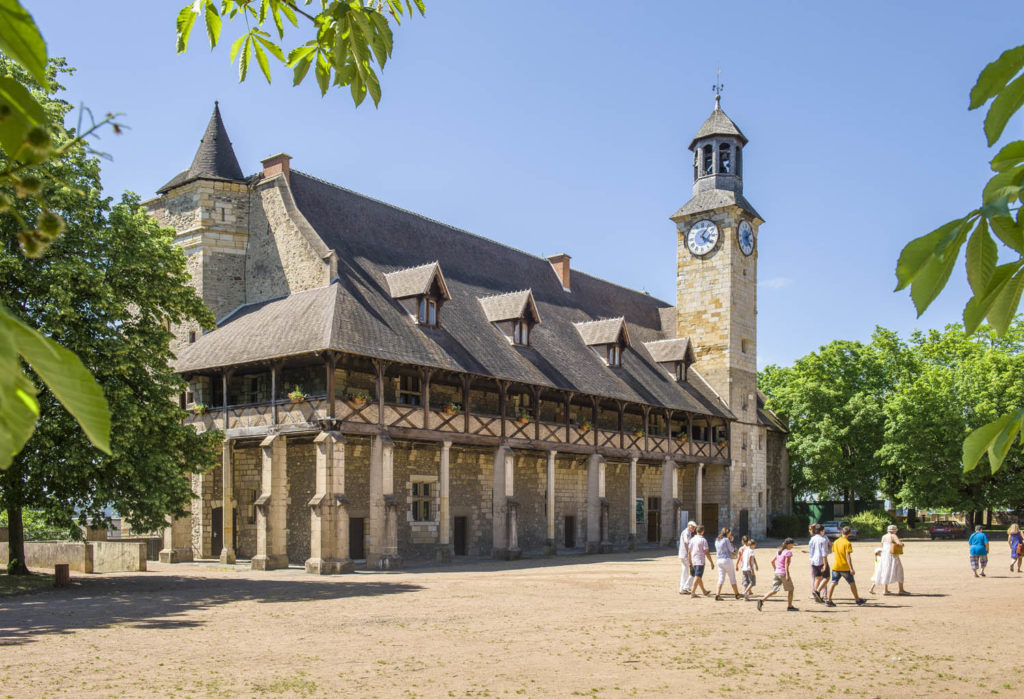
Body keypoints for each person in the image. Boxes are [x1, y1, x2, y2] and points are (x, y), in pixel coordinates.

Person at [826, 526, 867, 607]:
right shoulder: (847, 543)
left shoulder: (836, 542)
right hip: (844, 567)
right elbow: (848, 556)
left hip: (836, 566)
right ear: (849, 534)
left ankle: (828, 600)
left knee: (833, 582)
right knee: (852, 583)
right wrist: (851, 568)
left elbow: (833, 550)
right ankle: (857, 600)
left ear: (842, 532)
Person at [757, 537, 796, 612]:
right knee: (791, 589)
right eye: (792, 544)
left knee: (774, 590)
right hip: (783, 573)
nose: (792, 546)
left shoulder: (779, 552)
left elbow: (772, 561)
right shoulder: (788, 552)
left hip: (777, 573)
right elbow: (786, 564)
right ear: (788, 545)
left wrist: (776, 569)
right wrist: (787, 574)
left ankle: (762, 600)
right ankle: (789, 606)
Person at [873, 524, 907, 595]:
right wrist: (902, 544)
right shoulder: (893, 536)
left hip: (885, 556)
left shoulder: (884, 536)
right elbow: (899, 543)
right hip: (892, 556)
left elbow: (882, 546)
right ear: (894, 531)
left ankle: (885, 590)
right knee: (899, 570)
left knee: (885, 571)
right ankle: (901, 589)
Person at [714, 527, 742, 600]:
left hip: (719, 560)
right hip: (726, 559)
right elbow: (731, 549)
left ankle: (717, 594)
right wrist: (732, 542)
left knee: (721, 578)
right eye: (729, 533)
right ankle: (737, 594)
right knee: (732, 578)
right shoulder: (726, 539)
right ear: (727, 533)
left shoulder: (717, 540)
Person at [688, 524, 715, 598]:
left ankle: (704, 591)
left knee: (698, 576)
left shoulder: (692, 540)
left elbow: (689, 552)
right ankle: (693, 592)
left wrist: (690, 562)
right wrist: (711, 562)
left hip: (694, 560)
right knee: (697, 576)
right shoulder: (703, 540)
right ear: (703, 532)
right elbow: (706, 552)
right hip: (700, 560)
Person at [807, 523, 831, 604]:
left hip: (813, 561)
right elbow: (824, 553)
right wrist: (825, 564)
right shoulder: (823, 539)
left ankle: (815, 595)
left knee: (817, 578)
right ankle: (817, 591)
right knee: (826, 578)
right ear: (821, 531)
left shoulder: (812, 539)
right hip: (821, 561)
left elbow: (811, 550)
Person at [678, 521, 697, 594]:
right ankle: (686, 587)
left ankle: (682, 588)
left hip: (684, 554)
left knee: (685, 571)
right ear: (689, 526)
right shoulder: (686, 532)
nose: (694, 529)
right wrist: (695, 541)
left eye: (694, 528)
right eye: (692, 527)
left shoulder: (687, 532)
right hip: (685, 554)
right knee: (692, 571)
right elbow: (686, 541)